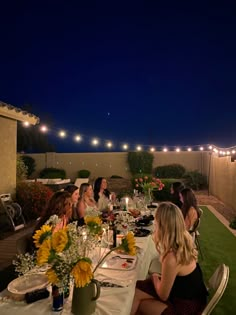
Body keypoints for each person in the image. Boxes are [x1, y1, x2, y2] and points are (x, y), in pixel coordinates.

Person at [130, 202, 208, 315]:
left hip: (185, 307)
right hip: (185, 293)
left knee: (139, 303)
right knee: (136, 289)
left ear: (161, 225)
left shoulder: (172, 257)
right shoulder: (184, 240)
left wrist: (155, 277)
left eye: (156, 222)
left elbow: (163, 295)